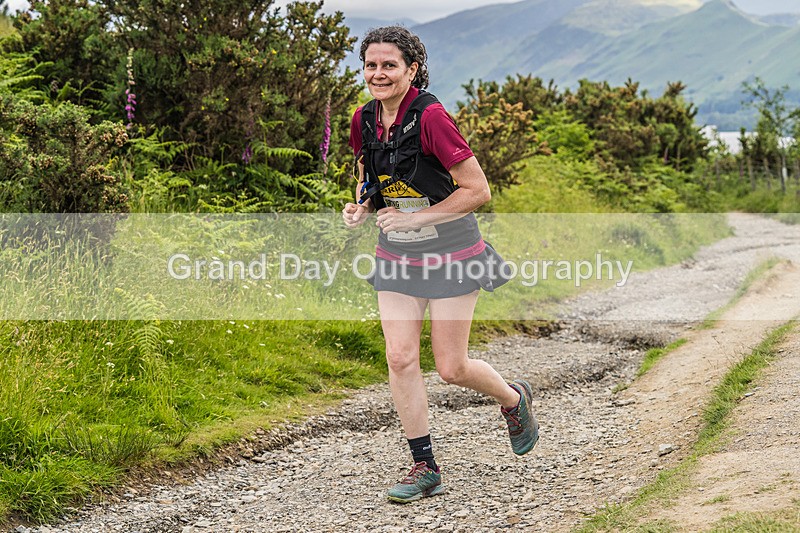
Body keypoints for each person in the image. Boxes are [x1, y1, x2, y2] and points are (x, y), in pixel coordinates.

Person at [341, 25, 538, 503]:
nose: (379, 73)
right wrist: (362, 208)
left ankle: (513, 400)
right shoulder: (363, 119)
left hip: (452, 253)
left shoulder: (432, 117)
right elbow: (371, 176)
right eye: (371, 65)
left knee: (451, 367)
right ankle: (423, 465)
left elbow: (478, 191)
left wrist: (419, 219)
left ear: (412, 69)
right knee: (400, 356)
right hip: (397, 258)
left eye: (390, 65)